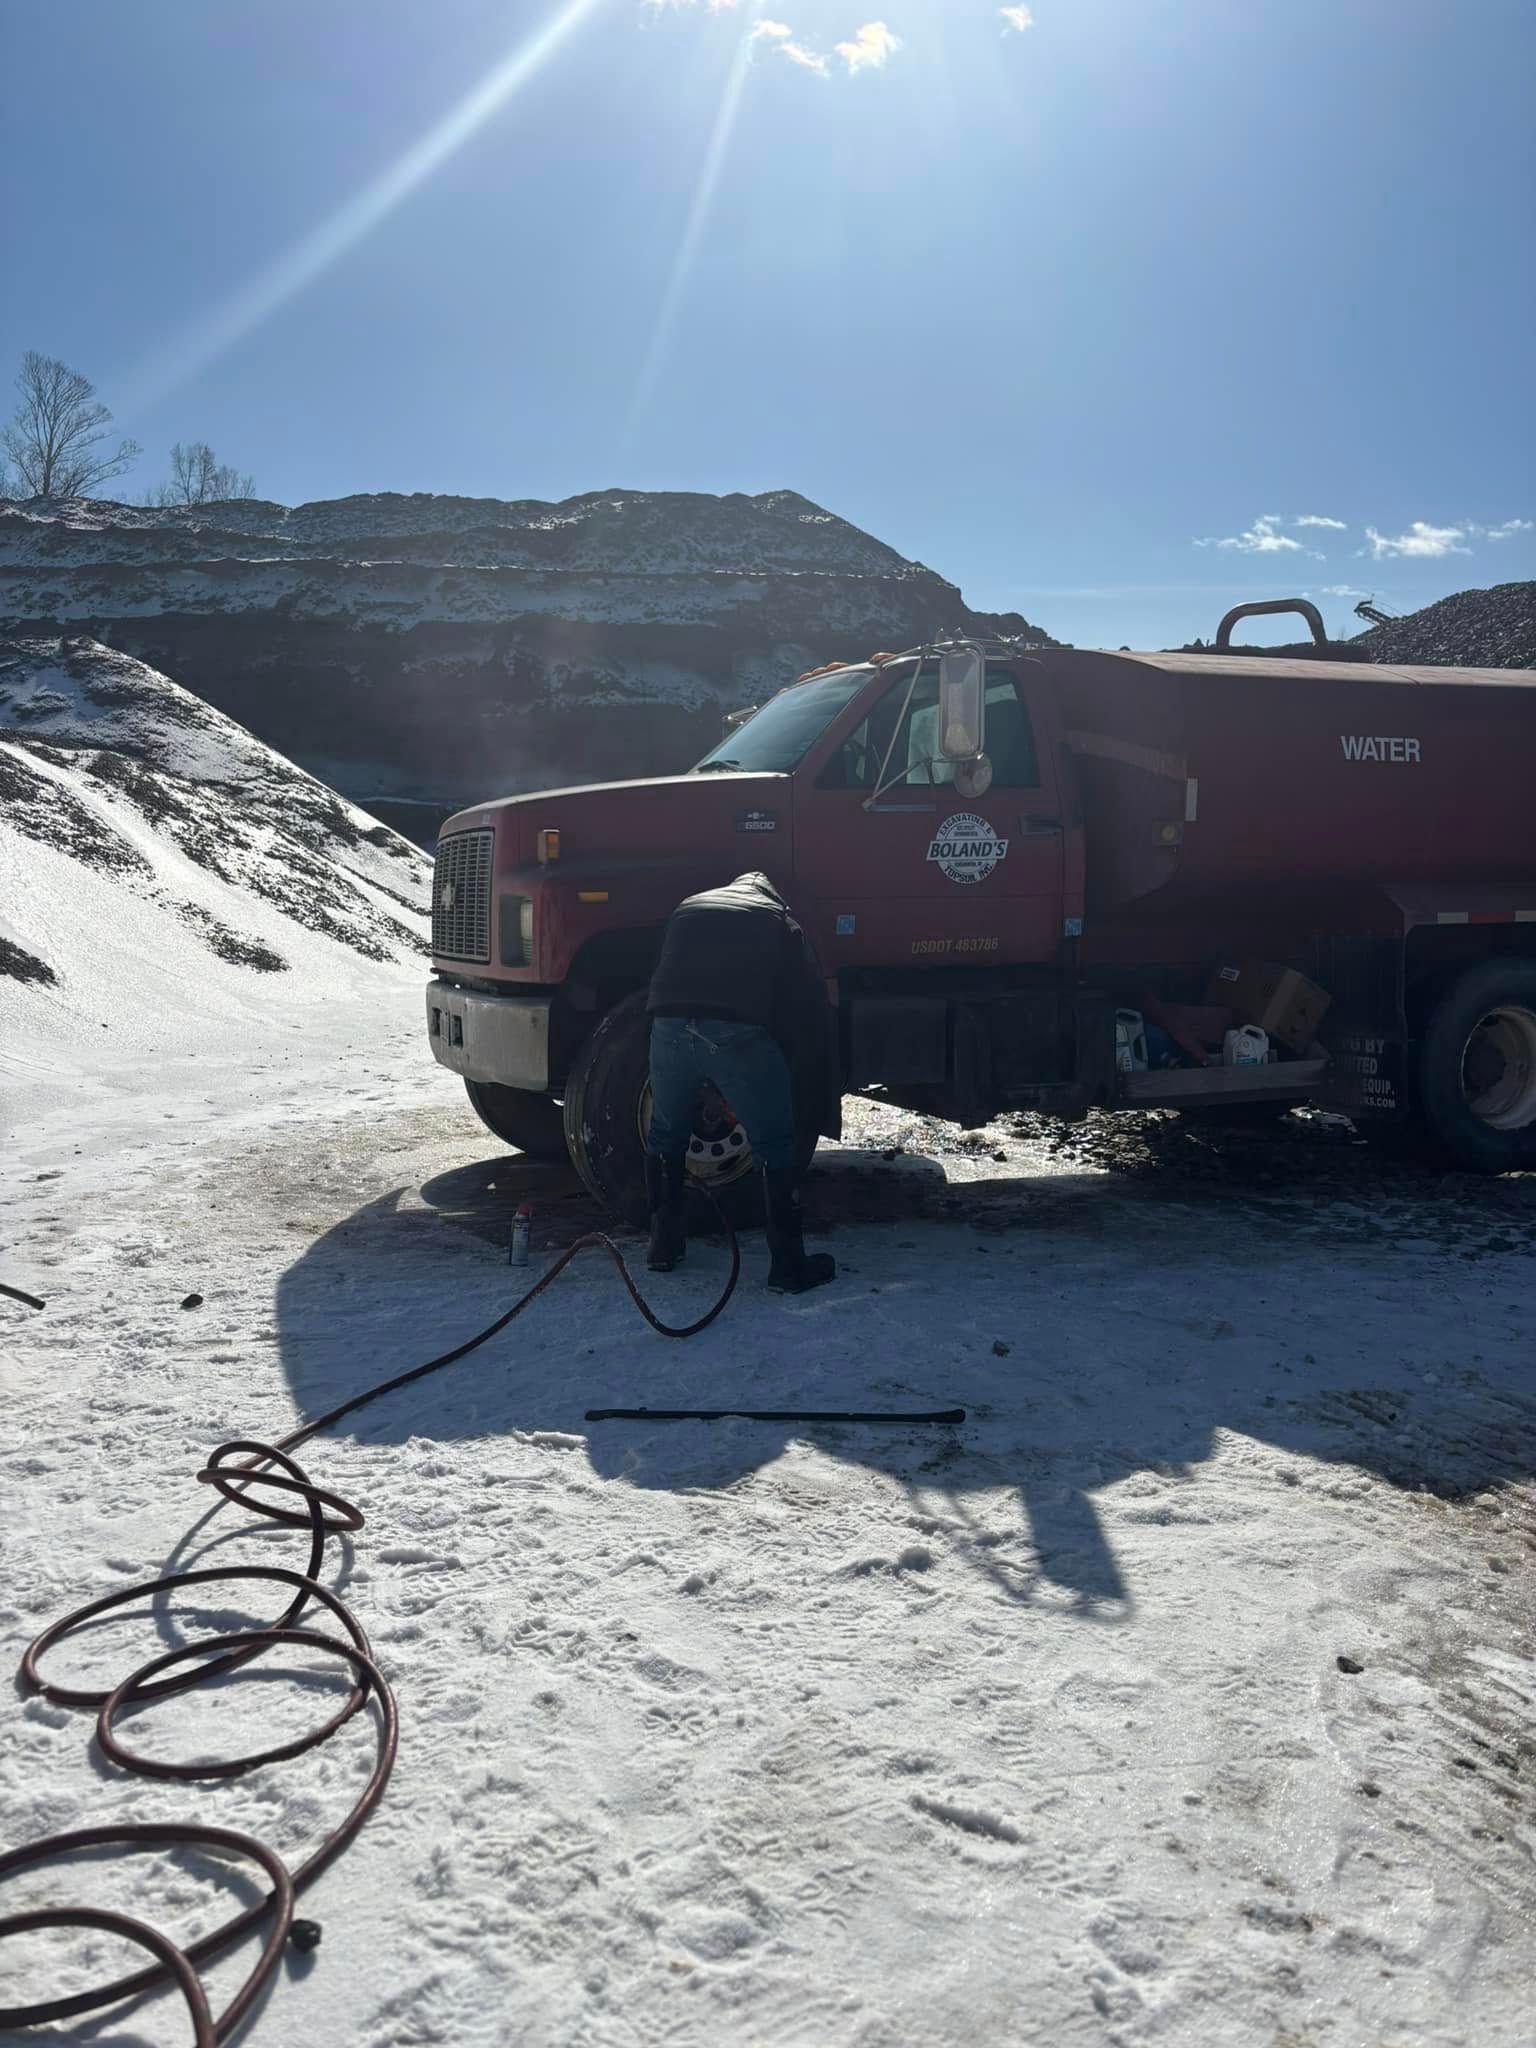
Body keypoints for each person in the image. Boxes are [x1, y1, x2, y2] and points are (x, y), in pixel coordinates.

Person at [644, 873, 836, 1294]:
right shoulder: (778, 917)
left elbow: (661, 969)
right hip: (732, 1030)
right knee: (775, 1145)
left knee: (665, 1134)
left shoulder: (690, 902)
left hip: (667, 1024)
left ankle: (663, 1246)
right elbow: (805, 1005)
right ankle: (788, 1267)